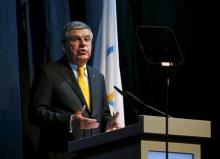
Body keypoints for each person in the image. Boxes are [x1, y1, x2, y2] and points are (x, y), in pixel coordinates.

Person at [29, 21, 120, 159]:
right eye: (76, 39)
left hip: (94, 153)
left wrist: (109, 123)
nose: (83, 44)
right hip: (61, 154)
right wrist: (70, 120)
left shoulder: (98, 77)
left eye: (87, 39)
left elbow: (102, 113)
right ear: (64, 47)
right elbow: (35, 113)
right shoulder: (49, 73)